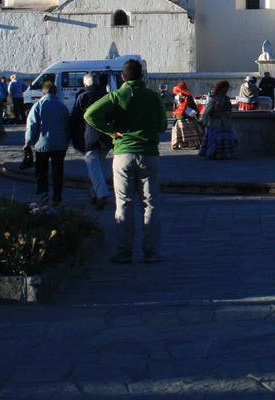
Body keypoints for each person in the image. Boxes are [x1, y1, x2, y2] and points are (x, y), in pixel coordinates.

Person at [85, 58, 168, 264]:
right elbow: (161, 126)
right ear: (142, 76)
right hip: (149, 153)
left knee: (123, 203)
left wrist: (111, 131)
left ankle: (124, 251)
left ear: (123, 77)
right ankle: (151, 251)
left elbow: (90, 114)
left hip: (123, 154)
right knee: (151, 204)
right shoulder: (153, 96)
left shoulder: (116, 95)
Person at [23, 81, 71, 205]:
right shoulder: (62, 107)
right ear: (55, 92)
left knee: (42, 170)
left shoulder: (38, 105)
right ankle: (57, 195)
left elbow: (32, 126)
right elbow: (67, 125)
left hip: (42, 143)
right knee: (58, 171)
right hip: (60, 144)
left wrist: (28, 142)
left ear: (43, 92)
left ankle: (44, 192)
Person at [70, 73, 110, 209]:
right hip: (106, 136)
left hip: (89, 136)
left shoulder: (82, 97)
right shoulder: (106, 95)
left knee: (93, 167)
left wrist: (74, 137)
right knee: (100, 166)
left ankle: (102, 194)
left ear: (85, 84)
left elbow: (76, 119)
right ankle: (94, 192)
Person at [198, 80, 237, 160]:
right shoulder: (213, 99)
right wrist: (204, 123)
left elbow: (229, 110)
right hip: (215, 123)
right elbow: (207, 112)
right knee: (215, 139)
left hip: (225, 123)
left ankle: (225, 154)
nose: (226, 90)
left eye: (227, 88)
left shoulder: (226, 99)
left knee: (225, 138)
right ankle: (213, 154)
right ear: (220, 88)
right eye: (225, 88)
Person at [169, 81, 202, 150]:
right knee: (178, 127)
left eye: (181, 92)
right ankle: (178, 144)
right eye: (179, 92)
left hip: (188, 117)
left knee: (191, 125)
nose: (180, 94)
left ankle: (196, 144)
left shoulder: (188, 98)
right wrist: (179, 103)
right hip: (180, 117)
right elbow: (175, 109)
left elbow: (194, 108)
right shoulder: (176, 99)